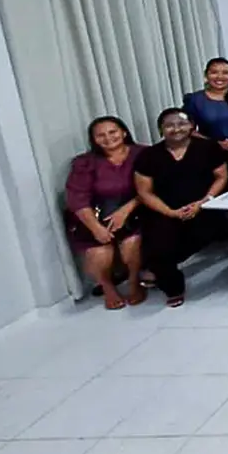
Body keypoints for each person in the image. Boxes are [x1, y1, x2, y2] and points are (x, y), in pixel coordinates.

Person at [133, 108, 228, 307]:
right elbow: (144, 192)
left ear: (191, 126)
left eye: (182, 123)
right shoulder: (148, 156)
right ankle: (173, 288)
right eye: (169, 125)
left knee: (207, 231)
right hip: (164, 210)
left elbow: (221, 176)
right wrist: (171, 212)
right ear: (161, 129)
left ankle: (158, 268)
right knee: (159, 245)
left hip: (203, 206)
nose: (176, 129)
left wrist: (203, 202)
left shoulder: (207, 147)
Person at [65, 116, 146, 310]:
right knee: (99, 253)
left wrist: (126, 210)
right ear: (93, 139)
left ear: (123, 132)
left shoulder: (143, 154)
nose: (108, 138)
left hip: (135, 210)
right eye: (100, 135)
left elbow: (153, 188)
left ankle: (134, 282)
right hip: (95, 214)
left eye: (113, 132)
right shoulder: (85, 163)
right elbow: (77, 198)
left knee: (132, 245)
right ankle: (107, 287)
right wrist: (96, 228)